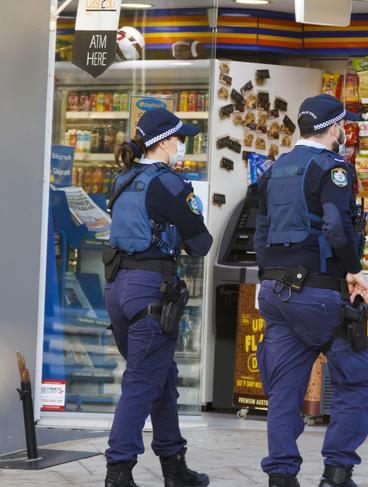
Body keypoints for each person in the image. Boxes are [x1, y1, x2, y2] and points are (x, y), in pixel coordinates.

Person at [254, 94, 368, 487]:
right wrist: (355, 270)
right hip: (321, 295)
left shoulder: (273, 169)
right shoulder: (332, 168)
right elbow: (336, 228)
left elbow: (259, 231)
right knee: (355, 380)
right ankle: (336, 474)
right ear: (333, 128)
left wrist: (266, 277)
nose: (344, 132)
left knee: (284, 390)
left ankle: (281, 475)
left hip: (277, 293)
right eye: (343, 125)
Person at [103, 109, 213, 487]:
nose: (182, 144)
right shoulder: (168, 183)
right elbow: (201, 243)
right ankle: (118, 470)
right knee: (140, 382)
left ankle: (175, 467)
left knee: (160, 377)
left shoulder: (122, 179)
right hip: (150, 291)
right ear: (165, 141)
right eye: (180, 138)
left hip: (118, 289)